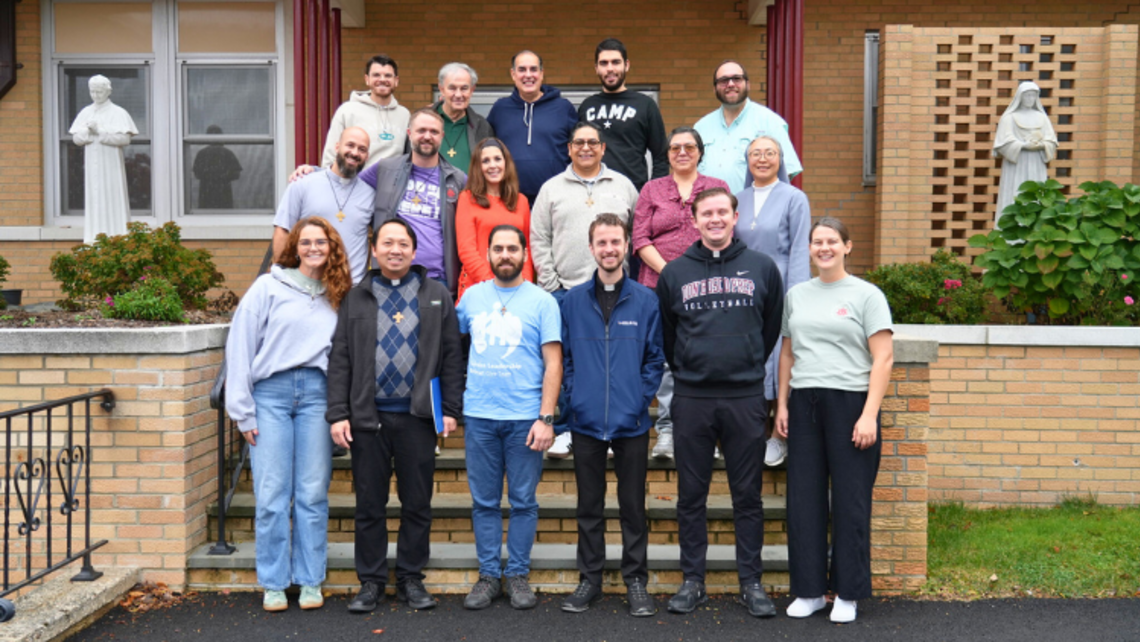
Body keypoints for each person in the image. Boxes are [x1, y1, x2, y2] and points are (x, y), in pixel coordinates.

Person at [656, 187, 783, 619]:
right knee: (691, 496)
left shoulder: (762, 269)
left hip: (744, 397)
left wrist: (742, 364)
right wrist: (696, 366)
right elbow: (670, 338)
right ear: (694, 219)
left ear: (734, 216)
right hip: (692, 398)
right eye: (706, 213)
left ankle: (751, 582)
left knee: (747, 496)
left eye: (722, 212)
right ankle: (693, 581)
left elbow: (769, 331)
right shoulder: (675, 274)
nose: (714, 219)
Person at [326, 218, 465, 614]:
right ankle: (370, 582)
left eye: (403, 244)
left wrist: (450, 410)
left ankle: (410, 579)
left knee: (417, 503)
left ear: (414, 251)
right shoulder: (356, 297)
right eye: (387, 243)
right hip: (367, 420)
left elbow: (452, 357)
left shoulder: (437, 294)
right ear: (374, 249)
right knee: (369, 504)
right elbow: (340, 360)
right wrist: (338, 413)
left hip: (418, 418)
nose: (395, 250)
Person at [224, 216, 353, 612]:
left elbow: (343, 357)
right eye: (307, 242)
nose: (314, 248)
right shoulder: (268, 286)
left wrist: (339, 407)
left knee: (313, 492)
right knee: (272, 494)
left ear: (332, 248)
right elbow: (241, 346)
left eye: (322, 242)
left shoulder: (338, 294)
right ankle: (275, 582)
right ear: (295, 247)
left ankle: (311, 579)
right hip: (271, 396)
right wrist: (242, 411)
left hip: (317, 395)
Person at [775, 216, 893, 624]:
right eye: (816, 242)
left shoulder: (867, 295)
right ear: (809, 249)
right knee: (803, 501)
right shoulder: (797, 295)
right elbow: (787, 354)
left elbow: (883, 357)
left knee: (850, 502)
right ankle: (809, 592)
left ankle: (848, 592)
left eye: (831, 241)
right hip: (805, 403)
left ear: (847, 246)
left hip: (851, 404)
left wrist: (869, 415)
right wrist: (783, 405)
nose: (823, 248)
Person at [558, 214, 664, 617]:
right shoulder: (571, 301)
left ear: (625, 246)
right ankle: (591, 580)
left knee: (633, 506)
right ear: (591, 248)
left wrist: (640, 398)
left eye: (615, 242)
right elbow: (564, 358)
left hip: (632, 421)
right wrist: (576, 395)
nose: (608, 249)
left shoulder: (645, 300)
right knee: (589, 505)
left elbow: (655, 358)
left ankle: (636, 580)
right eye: (601, 243)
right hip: (585, 421)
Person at [457, 225, 561, 611]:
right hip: (480, 416)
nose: (505, 255)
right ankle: (488, 576)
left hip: (524, 419)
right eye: (498, 248)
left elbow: (554, 363)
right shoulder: (470, 298)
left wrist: (546, 418)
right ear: (488, 253)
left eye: (512, 249)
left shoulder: (542, 302)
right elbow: (453, 349)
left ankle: (516, 574)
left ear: (524, 254)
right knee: (484, 501)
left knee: (522, 501)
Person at [530, 121, 638, 458]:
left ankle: (603, 431)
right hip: (565, 291)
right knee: (563, 363)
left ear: (603, 148)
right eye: (579, 142)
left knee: (607, 363)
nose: (586, 147)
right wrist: (551, 284)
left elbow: (634, 234)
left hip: (614, 292)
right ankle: (564, 430)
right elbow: (539, 238)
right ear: (569, 148)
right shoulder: (551, 188)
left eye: (593, 142)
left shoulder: (623, 185)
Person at [631, 126, 730, 460]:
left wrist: (692, 275)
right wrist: (671, 273)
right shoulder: (652, 189)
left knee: (706, 357)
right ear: (667, 154)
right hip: (657, 288)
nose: (682, 152)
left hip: (706, 286)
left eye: (689, 146)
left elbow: (726, 234)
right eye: (675, 147)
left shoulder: (717, 188)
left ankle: (705, 433)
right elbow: (640, 238)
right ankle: (669, 432)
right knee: (666, 361)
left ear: (700, 151)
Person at [734, 135, 811, 468]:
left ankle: (778, 437)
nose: (762, 159)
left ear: (781, 159)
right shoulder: (737, 198)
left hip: (779, 285)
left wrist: (795, 297)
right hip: (743, 288)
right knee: (751, 353)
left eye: (770, 153)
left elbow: (797, 250)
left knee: (780, 354)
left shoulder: (795, 198)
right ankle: (751, 433)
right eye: (755, 153)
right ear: (747, 161)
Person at [365, 108, 467, 298]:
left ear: (442, 136)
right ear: (409, 133)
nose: (427, 136)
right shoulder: (385, 169)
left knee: (435, 329)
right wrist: (313, 171)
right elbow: (347, 184)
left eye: (434, 132)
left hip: (438, 279)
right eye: (421, 131)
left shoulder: (458, 179)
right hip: (389, 277)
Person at [273, 127, 374, 285]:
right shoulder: (302, 184)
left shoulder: (370, 194)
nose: (355, 153)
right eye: (350, 145)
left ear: (367, 156)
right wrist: (281, 278)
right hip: (308, 287)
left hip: (352, 291)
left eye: (362, 149)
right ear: (337, 146)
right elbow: (283, 229)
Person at [486, 50, 578, 205]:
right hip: (509, 199)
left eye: (533, 69)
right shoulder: (500, 109)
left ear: (541, 73)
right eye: (522, 70)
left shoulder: (563, 108)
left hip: (556, 198)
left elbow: (577, 150)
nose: (528, 75)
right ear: (513, 74)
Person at [694, 61, 802, 191]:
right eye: (724, 80)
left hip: (753, 209)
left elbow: (786, 171)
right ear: (715, 88)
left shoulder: (770, 122)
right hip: (709, 208)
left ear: (748, 85)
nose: (731, 84)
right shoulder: (701, 127)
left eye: (737, 79)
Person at [578, 38, 668, 192]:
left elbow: (661, 156)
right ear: (596, 68)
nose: (610, 68)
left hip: (632, 194)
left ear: (626, 65)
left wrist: (653, 194)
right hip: (591, 193)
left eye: (615, 62)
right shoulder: (587, 107)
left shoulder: (645, 105)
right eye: (604, 63)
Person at [456, 138, 533, 300]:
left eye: (497, 159)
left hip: (516, 290)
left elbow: (526, 251)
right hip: (478, 287)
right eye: (485, 161)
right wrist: (493, 285)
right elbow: (466, 250)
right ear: (478, 167)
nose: (493, 165)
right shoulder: (467, 198)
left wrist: (524, 286)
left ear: (506, 163)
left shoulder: (521, 201)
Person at [69, 74, 138, 244]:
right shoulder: (85, 112)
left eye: (99, 92)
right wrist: (87, 132)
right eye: (93, 92)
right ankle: (94, 240)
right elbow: (76, 139)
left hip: (111, 166)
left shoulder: (118, 112)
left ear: (108, 91)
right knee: (95, 201)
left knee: (113, 201)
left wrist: (100, 131)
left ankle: (117, 239)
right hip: (92, 168)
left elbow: (124, 139)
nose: (96, 95)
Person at [322, 54, 410, 169]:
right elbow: (331, 155)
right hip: (355, 184)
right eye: (376, 75)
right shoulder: (347, 111)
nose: (382, 80)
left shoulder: (404, 115)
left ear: (396, 80)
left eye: (388, 75)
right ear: (367, 79)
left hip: (392, 185)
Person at [993, 81, 1058, 227]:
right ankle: (1011, 232)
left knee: (1035, 193)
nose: (1030, 99)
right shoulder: (1009, 117)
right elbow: (1003, 142)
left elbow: (1051, 140)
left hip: (1036, 162)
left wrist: (1041, 145)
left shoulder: (1042, 117)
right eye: (1027, 95)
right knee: (1014, 191)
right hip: (1016, 163)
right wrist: (1023, 145)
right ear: (1020, 97)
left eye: (1033, 96)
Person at [433, 62, 495, 174]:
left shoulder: (482, 126)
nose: (458, 95)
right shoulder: (422, 122)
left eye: (464, 88)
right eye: (452, 88)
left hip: (470, 191)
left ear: (472, 90)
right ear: (441, 89)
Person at [192, 125, 242, 209]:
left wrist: (210, 177)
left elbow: (197, 174)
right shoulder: (227, 153)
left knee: (205, 218)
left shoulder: (202, 153)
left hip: (206, 194)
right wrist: (222, 177)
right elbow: (236, 174)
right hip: (224, 194)